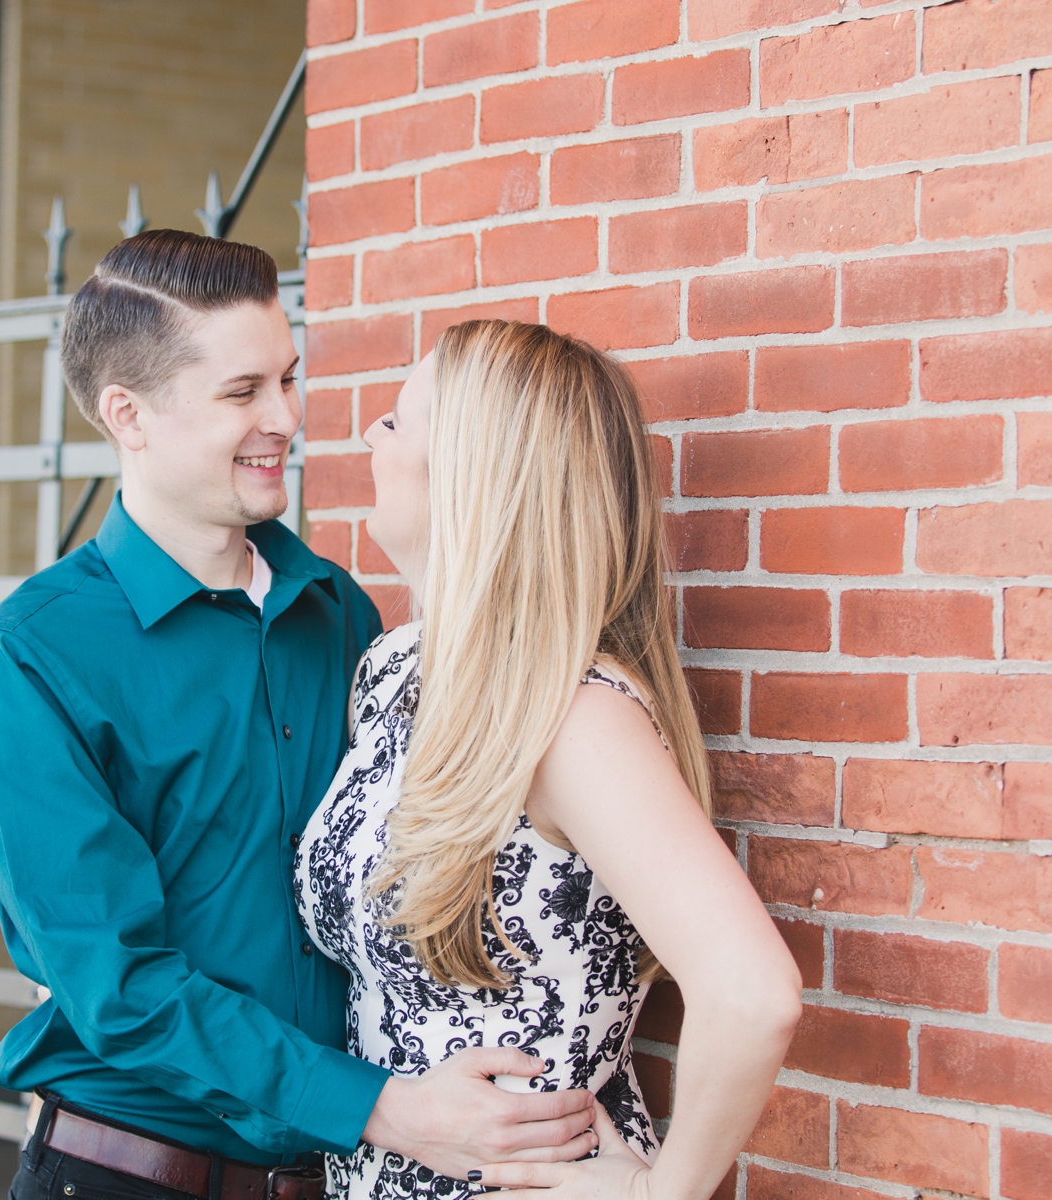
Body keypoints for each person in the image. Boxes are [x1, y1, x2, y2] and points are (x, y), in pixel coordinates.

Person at [0, 233, 600, 1200]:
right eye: (242, 392)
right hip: (129, 1176)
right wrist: (382, 1106)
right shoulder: (29, 659)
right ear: (128, 414)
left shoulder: (341, 614)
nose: (286, 419)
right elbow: (117, 987)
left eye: (288, 381)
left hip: (339, 1176)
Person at [294, 320, 803, 1200]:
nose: (368, 436)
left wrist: (658, 1192)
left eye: (397, 420)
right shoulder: (392, 671)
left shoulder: (573, 716)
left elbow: (753, 992)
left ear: (470, 476)